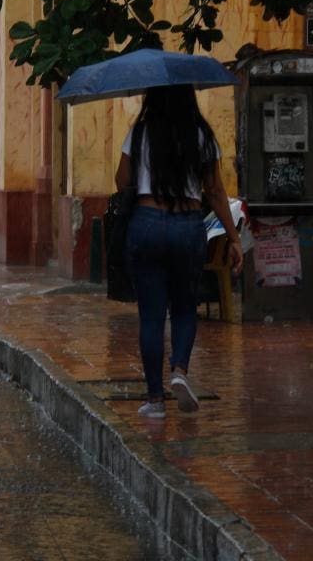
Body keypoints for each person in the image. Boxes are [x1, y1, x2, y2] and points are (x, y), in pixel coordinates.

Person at [115, 85, 243, 419]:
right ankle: (180, 371)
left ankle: (155, 400)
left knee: (152, 316)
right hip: (187, 224)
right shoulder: (201, 134)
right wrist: (233, 237)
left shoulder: (139, 132)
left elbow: (121, 180)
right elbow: (215, 191)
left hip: (146, 221)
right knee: (185, 307)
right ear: (189, 96)